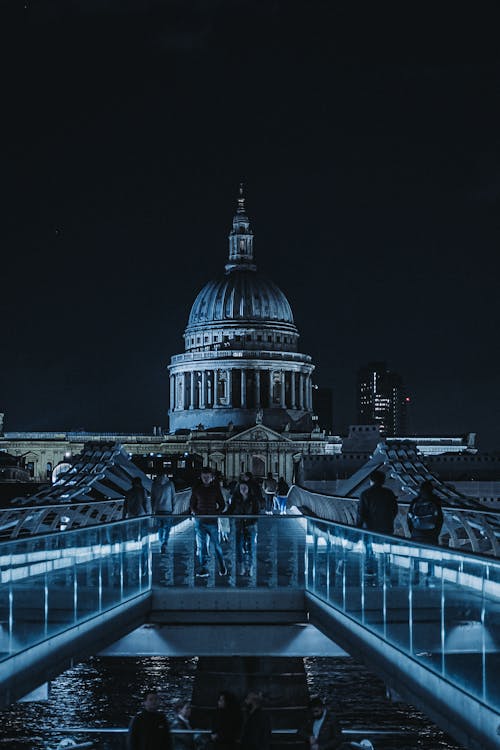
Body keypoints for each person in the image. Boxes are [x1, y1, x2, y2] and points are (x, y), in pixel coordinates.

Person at [190, 467, 227, 577]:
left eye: (207, 477)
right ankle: (204, 568)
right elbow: (192, 504)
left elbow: (222, 504)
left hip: (211, 521)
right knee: (202, 546)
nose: (205, 479)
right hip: (201, 521)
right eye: (204, 477)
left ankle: (221, 565)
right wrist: (197, 513)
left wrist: (215, 512)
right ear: (201, 477)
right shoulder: (197, 489)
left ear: (212, 478)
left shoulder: (215, 489)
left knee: (216, 545)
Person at [229, 481, 260, 575]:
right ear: (238, 489)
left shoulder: (253, 499)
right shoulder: (235, 498)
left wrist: (253, 521)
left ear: (248, 488)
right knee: (238, 546)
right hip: (239, 525)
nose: (243, 489)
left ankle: (251, 566)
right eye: (241, 487)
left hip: (250, 525)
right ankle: (241, 565)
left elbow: (257, 511)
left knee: (251, 546)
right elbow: (231, 509)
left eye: (245, 487)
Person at [407, 480, 444, 545]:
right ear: (431, 489)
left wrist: (413, 531)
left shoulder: (415, 501)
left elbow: (409, 518)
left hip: (417, 532)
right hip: (431, 533)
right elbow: (440, 518)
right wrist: (436, 532)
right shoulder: (435, 500)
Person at [151, 472, 176, 553]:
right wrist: (173, 508)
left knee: (160, 527)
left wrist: (152, 510)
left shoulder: (154, 484)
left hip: (158, 509)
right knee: (167, 528)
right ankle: (165, 542)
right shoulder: (170, 483)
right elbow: (173, 496)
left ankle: (161, 541)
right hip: (168, 509)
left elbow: (152, 498)